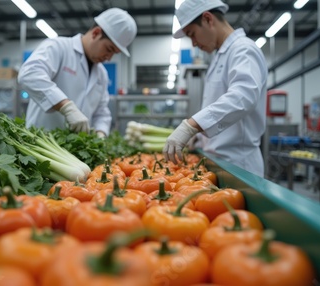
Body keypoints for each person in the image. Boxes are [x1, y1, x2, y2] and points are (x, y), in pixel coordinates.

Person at [163, 0, 268, 177]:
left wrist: (191, 126)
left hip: (239, 164)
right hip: (219, 161)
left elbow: (243, 96)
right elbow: (218, 109)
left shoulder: (243, 49)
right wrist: (200, 138)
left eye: (192, 34)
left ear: (208, 19)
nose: (194, 43)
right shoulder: (218, 58)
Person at [18, 8, 137, 137]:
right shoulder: (59, 47)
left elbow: (101, 112)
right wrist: (66, 107)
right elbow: (29, 73)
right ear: (96, 33)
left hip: (75, 150)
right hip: (41, 142)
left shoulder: (101, 74)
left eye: (114, 53)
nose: (109, 58)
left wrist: (100, 133)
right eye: (109, 49)